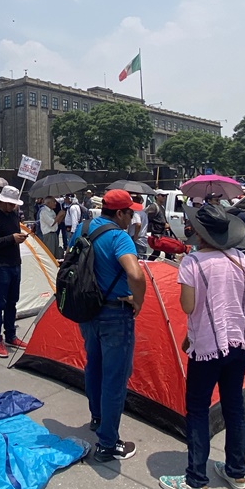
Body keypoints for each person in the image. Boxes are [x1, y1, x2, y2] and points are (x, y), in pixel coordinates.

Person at [159, 204, 245, 489]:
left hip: (208, 350)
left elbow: (188, 307)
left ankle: (196, 480)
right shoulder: (239, 258)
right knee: (234, 406)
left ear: (198, 234)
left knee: (199, 410)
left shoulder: (193, 263)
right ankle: (236, 470)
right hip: (240, 342)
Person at [69, 189, 146, 462]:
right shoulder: (119, 237)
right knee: (115, 377)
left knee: (94, 366)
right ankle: (108, 444)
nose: (132, 217)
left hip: (87, 310)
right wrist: (138, 300)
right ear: (120, 213)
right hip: (115, 314)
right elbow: (135, 273)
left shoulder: (82, 228)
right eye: (130, 212)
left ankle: (97, 417)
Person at [0, 186, 29, 358]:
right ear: (2, 200)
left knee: (12, 302)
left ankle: (10, 335)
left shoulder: (13, 215)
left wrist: (19, 238)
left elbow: (12, 235)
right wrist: (12, 239)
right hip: (0, 265)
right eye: (10, 204)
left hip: (15, 263)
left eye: (14, 204)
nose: (13, 207)